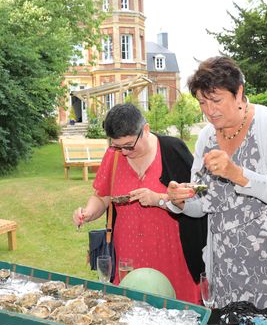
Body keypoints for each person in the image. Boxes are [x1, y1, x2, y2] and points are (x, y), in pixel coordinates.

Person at [166, 56, 267, 310]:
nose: (209, 110)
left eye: (216, 100)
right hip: (226, 270)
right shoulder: (206, 137)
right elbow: (203, 202)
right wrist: (181, 200)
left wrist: (238, 174)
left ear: (239, 93)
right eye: (202, 102)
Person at [72, 104, 206, 304]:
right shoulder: (114, 155)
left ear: (145, 130)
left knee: (178, 317)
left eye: (129, 145)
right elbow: (102, 196)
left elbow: (196, 200)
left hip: (172, 255)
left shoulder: (172, 149)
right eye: (117, 146)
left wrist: (158, 198)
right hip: (129, 257)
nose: (123, 152)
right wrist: (89, 212)